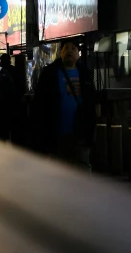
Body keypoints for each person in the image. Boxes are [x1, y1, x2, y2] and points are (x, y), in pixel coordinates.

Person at [29, 37, 97, 170]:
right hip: (55, 132)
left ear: (78, 53)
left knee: (81, 168)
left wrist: (91, 128)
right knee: (57, 170)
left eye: (73, 48)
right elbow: (39, 103)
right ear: (61, 52)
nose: (69, 51)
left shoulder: (85, 74)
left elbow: (91, 102)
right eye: (66, 48)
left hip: (80, 132)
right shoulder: (50, 73)